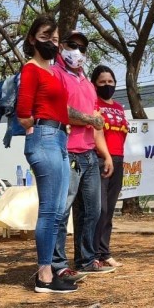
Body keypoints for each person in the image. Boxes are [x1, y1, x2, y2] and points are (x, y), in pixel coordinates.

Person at [16, 14, 76, 294]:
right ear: (32, 39)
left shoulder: (55, 72)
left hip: (61, 139)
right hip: (45, 138)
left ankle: (50, 270)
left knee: (59, 211)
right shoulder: (31, 70)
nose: (51, 43)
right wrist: (39, 132)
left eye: (54, 39)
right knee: (50, 210)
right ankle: (44, 275)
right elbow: (23, 114)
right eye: (45, 37)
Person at [52, 31, 115, 278]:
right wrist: (89, 119)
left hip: (89, 155)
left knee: (93, 211)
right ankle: (57, 264)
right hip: (66, 153)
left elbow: (96, 125)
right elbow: (59, 110)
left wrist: (106, 155)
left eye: (82, 47)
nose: (77, 51)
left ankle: (86, 260)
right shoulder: (55, 74)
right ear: (62, 46)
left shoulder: (88, 85)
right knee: (61, 211)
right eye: (72, 45)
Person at [92, 65, 129, 268]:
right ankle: (93, 254)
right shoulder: (94, 103)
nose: (107, 85)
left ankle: (105, 252)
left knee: (110, 210)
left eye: (110, 82)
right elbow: (96, 133)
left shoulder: (119, 107)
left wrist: (116, 157)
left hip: (118, 159)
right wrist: (105, 156)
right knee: (100, 209)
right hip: (99, 160)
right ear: (94, 84)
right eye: (102, 82)